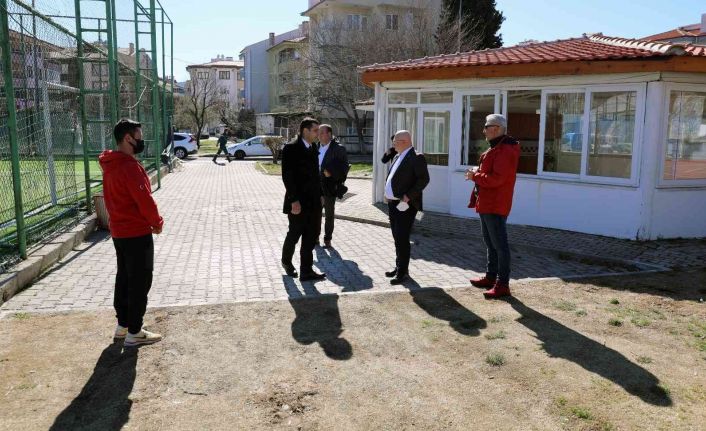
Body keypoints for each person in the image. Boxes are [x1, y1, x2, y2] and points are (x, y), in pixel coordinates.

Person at [99, 119, 163, 347]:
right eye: (139, 137)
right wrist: (156, 222)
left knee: (124, 277)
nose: (141, 141)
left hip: (119, 231)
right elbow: (144, 200)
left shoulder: (111, 164)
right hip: (136, 232)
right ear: (128, 138)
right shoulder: (128, 167)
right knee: (140, 281)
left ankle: (123, 324)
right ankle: (134, 331)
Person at [466, 114, 520, 299]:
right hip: (487, 202)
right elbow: (491, 173)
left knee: (500, 246)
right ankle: (491, 277)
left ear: (496, 128)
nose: (483, 131)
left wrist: (475, 176)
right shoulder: (497, 147)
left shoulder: (505, 150)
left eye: (486, 127)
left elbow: (497, 179)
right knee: (490, 243)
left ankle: (502, 284)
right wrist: (478, 172)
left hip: (495, 204)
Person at [281, 117, 326, 282]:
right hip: (298, 202)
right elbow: (287, 177)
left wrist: (321, 194)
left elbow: (316, 175)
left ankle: (306, 271)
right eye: (315, 130)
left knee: (311, 235)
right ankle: (286, 262)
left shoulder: (314, 147)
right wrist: (293, 200)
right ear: (305, 130)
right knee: (294, 234)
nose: (318, 134)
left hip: (313, 202)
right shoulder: (290, 148)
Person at [384, 130, 429, 285]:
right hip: (393, 203)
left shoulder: (416, 157)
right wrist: (387, 193)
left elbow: (424, 179)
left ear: (404, 141)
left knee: (402, 238)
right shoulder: (398, 156)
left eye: (395, 141)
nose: (393, 144)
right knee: (397, 237)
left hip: (406, 205)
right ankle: (399, 267)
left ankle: (402, 273)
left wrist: (409, 196)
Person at [317, 124, 349, 248]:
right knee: (315, 214)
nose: (318, 135)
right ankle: (315, 237)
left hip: (329, 187)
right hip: (315, 186)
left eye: (321, 133)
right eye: (318, 133)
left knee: (329, 215)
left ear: (329, 134)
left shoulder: (338, 149)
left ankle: (327, 238)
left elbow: (344, 168)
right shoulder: (315, 147)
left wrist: (331, 173)